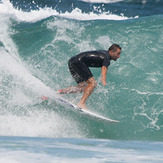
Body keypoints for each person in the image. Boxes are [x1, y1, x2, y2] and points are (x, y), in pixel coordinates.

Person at [58, 44, 121, 109]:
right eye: (118, 53)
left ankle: (59, 92)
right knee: (92, 83)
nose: (119, 56)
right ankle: (81, 103)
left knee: (82, 87)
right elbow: (104, 68)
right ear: (111, 52)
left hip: (72, 61)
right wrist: (103, 78)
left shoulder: (103, 53)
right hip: (79, 62)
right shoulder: (107, 57)